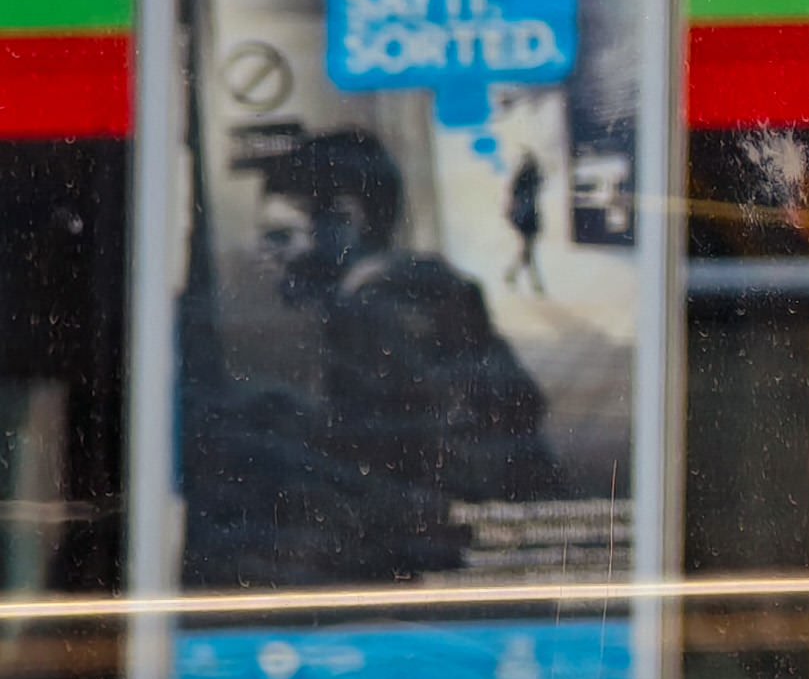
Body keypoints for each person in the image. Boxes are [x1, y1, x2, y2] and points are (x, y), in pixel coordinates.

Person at [180, 126, 566, 589]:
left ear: (347, 221)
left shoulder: (373, 316)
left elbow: (392, 477)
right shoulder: (429, 295)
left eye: (281, 236)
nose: (263, 253)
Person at [502, 148, 548, 294]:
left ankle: (512, 275)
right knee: (528, 250)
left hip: (525, 216)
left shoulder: (524, 177)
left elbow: (515, 194)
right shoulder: (529, 177)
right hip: (527, 217)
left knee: (527, 250)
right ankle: (535, 284)